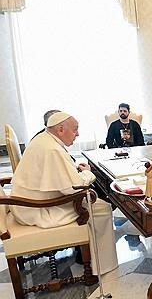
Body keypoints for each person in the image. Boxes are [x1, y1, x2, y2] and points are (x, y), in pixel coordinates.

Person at [10, 112, 118, 274]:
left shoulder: (43, 139)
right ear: (60, 129)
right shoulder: (52, 149)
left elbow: (60, 178)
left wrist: (75, 171)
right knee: (101, 207)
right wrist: (88, 172)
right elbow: (73, 188)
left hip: (26, 205)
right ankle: (101, 265)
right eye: (75, 130)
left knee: (96, 200)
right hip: (38, 210)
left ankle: (85, 252)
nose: (78, 134)